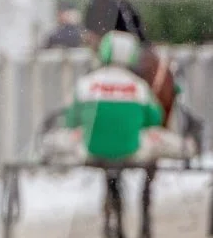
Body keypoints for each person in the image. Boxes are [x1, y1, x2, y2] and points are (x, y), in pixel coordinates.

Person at [41, 31, 191, 165]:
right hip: (131, 153)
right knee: (169, 142)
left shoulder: (86, 84)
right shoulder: (139, 86)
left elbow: (71, 119)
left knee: (54, 140)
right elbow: (155, 119)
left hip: (90, 152)